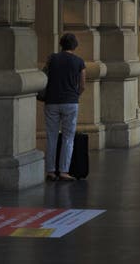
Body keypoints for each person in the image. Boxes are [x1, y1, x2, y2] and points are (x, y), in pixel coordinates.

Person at [44, 32, 86, 181]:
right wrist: (75, 95)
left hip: (52, 102)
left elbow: (45, 77)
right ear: (75, 46)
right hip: (70, 102)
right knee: (68, 138)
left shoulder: (52, 59)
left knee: (51, 137)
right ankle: (63, 171)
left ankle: (50, 171)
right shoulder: (79, 62)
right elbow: (82, 85)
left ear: (61, 44)